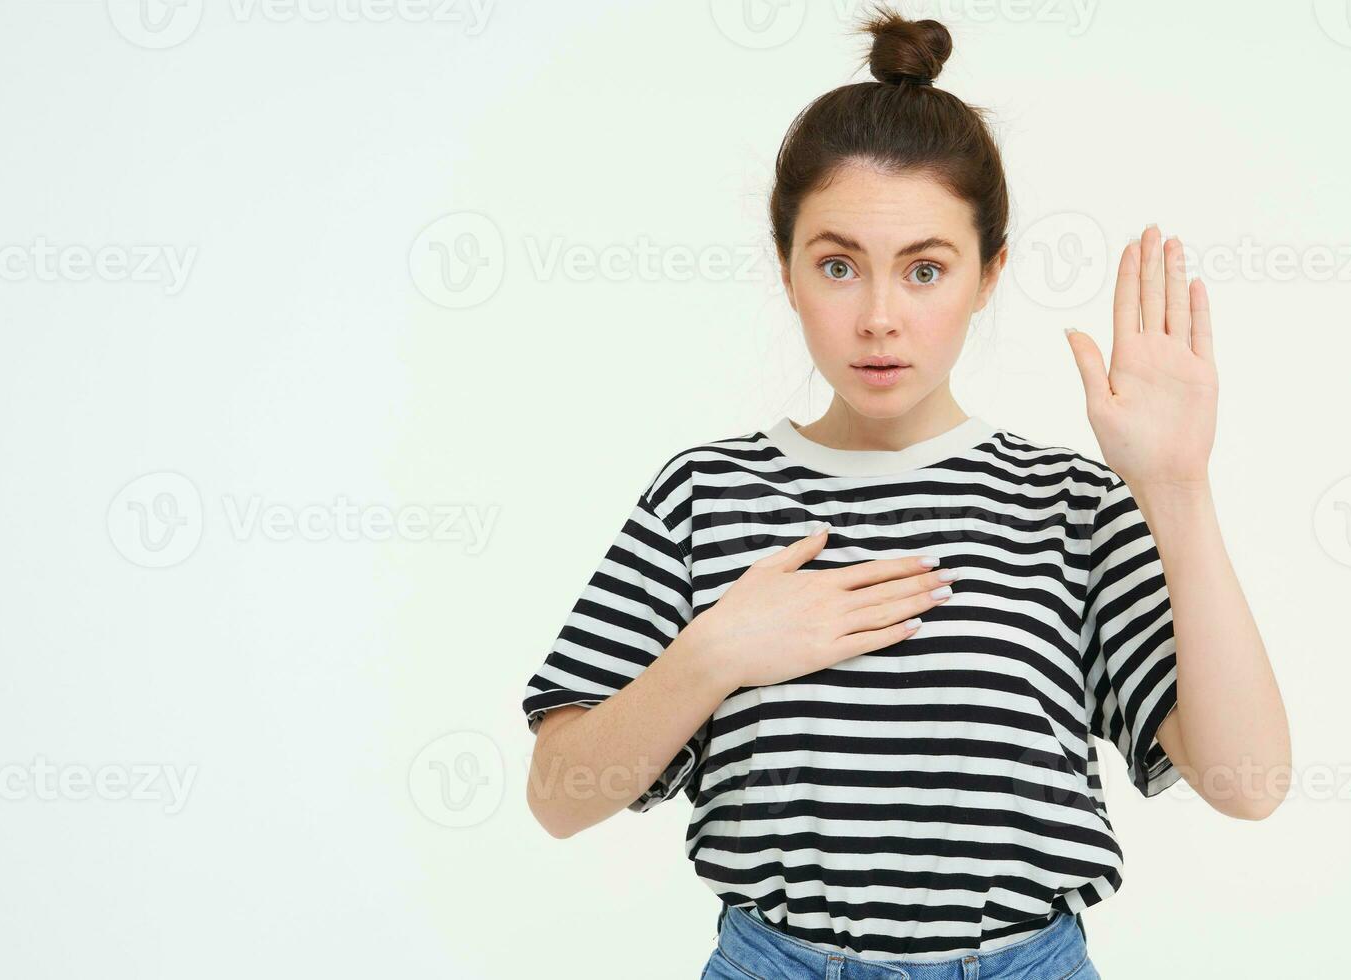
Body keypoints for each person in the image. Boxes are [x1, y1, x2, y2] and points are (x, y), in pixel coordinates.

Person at [519, 9, 1290, 977]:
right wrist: (715, 651)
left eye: (925, 269)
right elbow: (558, 794)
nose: (879, 318)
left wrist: (1174, 488)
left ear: (986, 275)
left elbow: (1250, 781)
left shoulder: (1065, 503)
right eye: (838, 265)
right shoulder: (703, 494)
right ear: (787, 269)